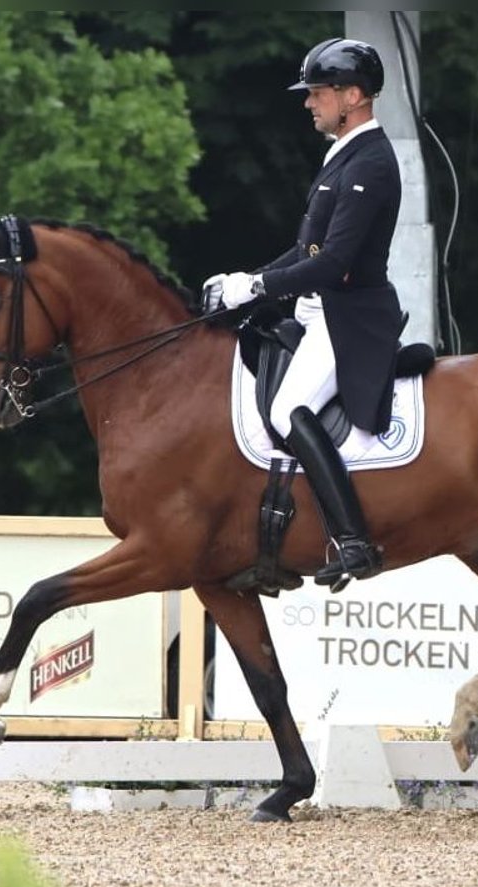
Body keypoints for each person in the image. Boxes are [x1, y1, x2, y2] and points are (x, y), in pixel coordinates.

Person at [203, 37, 403, 593]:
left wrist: (259, 285)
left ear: (354, 95)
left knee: (291, 406)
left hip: (350, 319)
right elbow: (306, 253)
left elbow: (335, 262)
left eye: (317, 93)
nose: (308, 103)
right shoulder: (341, 156)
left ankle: (354, 541)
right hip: (318, 312)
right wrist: (246, 283)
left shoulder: (372, 164)